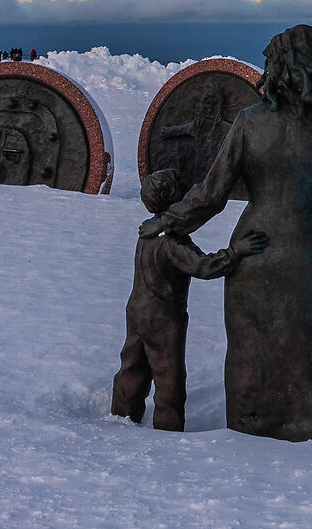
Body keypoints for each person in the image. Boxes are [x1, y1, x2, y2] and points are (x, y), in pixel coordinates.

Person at [146, 24, 312, 440]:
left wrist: (168, 220)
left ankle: (250, 425)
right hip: (304, 245)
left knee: (251, 344)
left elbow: (211, 195)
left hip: (252, 248)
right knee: (306, 342)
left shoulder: (249, 122)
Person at [113, 171, 263, 432]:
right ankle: (167, 428)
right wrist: (237, 252)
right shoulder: (172, 243)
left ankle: (123, 414)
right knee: (168, 374)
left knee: (132, 366)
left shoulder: (147, 232)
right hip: (162, 318)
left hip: (136, 310)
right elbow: (203, 267)